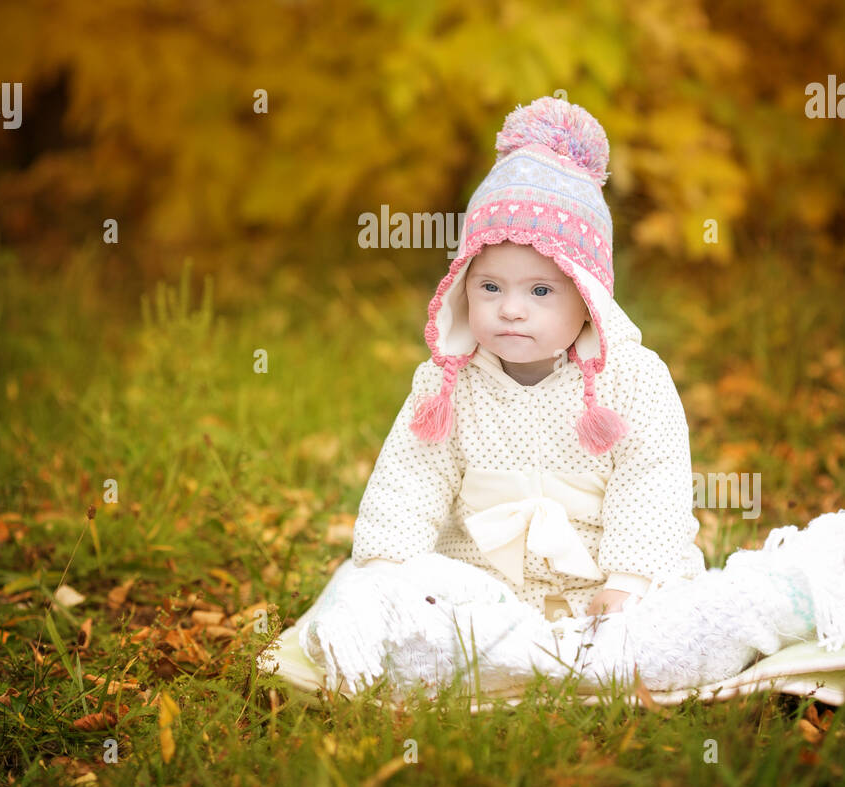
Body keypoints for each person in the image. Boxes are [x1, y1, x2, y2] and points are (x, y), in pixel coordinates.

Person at [292, 96, 845, 700]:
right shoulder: (446, 385)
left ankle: (776, 594)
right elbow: (409, 480)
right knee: (369, 610)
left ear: (587, 299)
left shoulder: (632, 381)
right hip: (481, 594)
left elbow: (651, 483)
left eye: (539, 289)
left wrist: (630, 581)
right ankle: (513, 655)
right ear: (462, 287)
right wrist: (386, 577)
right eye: (490, 286)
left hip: (608, 599)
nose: (510, 307)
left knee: (676, 635)